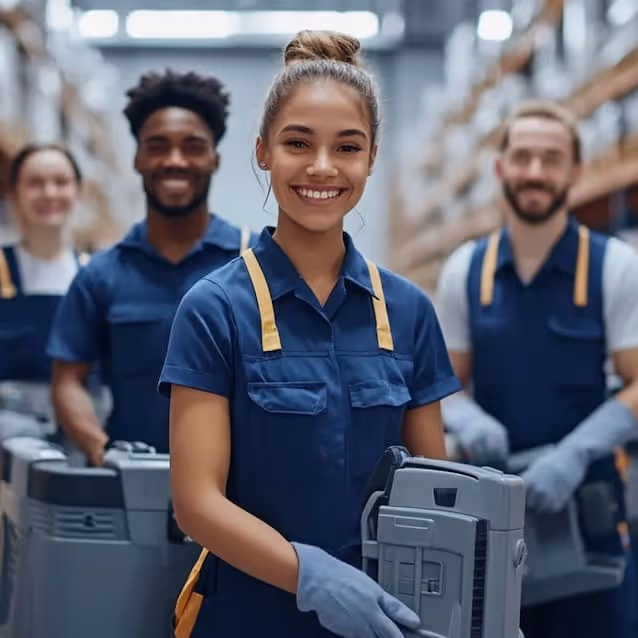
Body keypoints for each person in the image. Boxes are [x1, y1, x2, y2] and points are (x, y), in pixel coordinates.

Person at [158, 30, 461, 638]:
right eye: (299, 143)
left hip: (384, 617)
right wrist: (309, 575)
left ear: (372, 157)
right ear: (264, 150)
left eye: (347, 147)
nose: (322, 168)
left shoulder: (408, 311)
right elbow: (196, 501)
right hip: (248, 615)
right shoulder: (214, 309)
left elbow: (435, 493)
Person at [435, 99, 638, 638]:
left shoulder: (614, 267)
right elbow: (444, 382)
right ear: (500, 168)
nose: (534, 172)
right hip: (493, 517)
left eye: (551, 159)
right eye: (522, 157)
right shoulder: (465, 271)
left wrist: (576, 452)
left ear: (575, 170)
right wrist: (468, 418)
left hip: (588, 509)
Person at [47, 70, 257, 465]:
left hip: (241, 493)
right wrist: (102, 450)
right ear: (138, 158)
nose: (175, 161)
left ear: (214, 159)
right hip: (133, 487)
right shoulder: (100, 275)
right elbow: (67, 381)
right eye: (158, 146)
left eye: (192, 146)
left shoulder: (256, 263)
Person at [0, 144, 88, 438]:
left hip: (82, 433)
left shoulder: (96, 275)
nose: (49, 193)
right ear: (14, 192)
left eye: (61, 182)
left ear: (78, 190)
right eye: (35, 183)